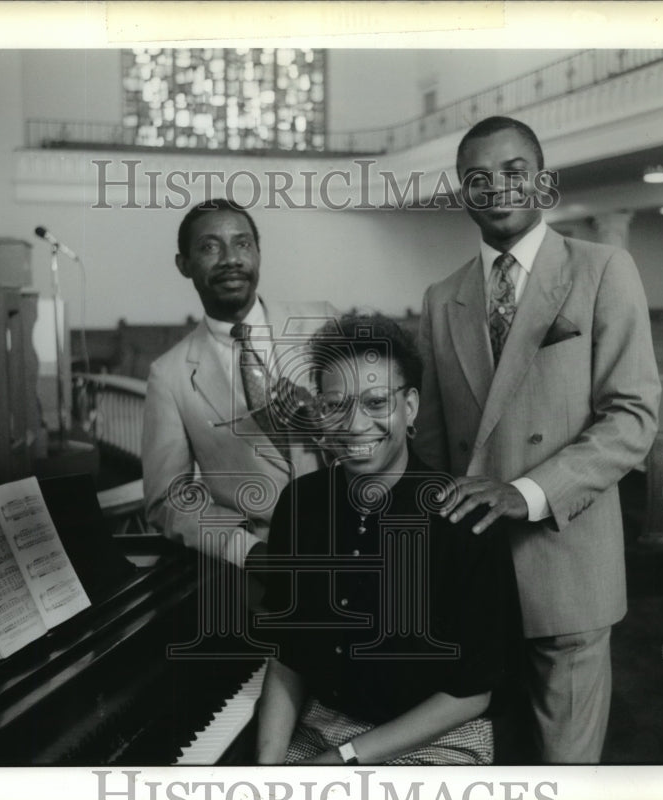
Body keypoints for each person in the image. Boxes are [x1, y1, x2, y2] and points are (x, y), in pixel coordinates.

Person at [415, 116, 661, 763]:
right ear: (463, 193)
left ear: (543, 183)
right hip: (476, 577)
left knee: (565, 772)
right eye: (478, 178)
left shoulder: (604, 268)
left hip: (567, 563)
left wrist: (526, 492)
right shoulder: (442, 299)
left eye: (513, 171)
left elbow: (632, 418)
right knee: (486, 761)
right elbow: (435, 450)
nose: (496, 187)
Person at [255, 314, 521, 765]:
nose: (355, 425)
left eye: (377, 403)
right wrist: (267, 769)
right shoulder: (299, 506)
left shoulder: (463, 520)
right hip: (323, 726)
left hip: (437, 735)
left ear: (411, 407)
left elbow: (472, 694)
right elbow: (288, 657)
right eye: (336, 405)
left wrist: (345, 760)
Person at [141, 199, 337, 567]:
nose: (230, 258)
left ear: (258, 253)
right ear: (183, 265)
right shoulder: (169, 375)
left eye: (242, 243)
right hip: (258, 569)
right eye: (209, 247)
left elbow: (381, 431)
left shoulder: (323, 323)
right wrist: (246, 550)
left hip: (353, 541)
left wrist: (325, 423)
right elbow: (168, 498)